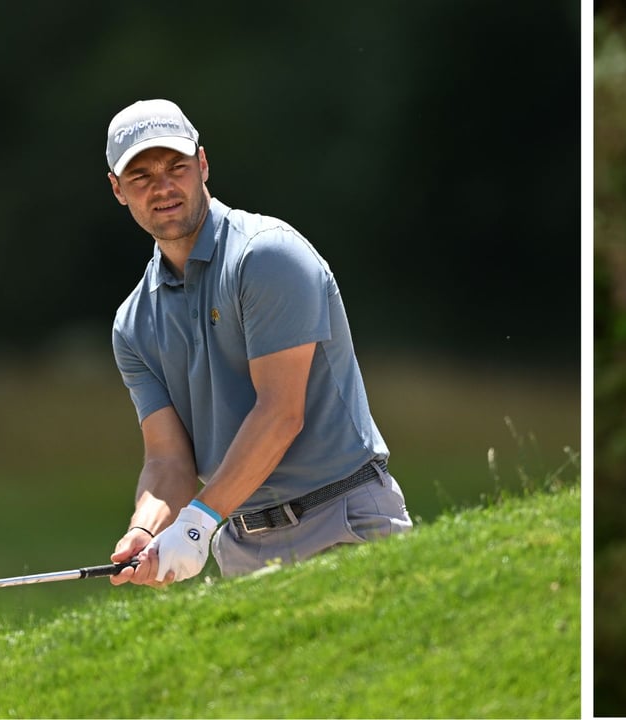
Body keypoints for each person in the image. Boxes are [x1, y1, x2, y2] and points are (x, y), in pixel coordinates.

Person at [101, 98, 412, 587]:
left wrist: (198, 524)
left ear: (202, 164)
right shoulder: (133, 323)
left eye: (176, 167)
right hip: (244, 550)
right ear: (118, 190)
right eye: (140, 176)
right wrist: (146, 529)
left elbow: (281, 413)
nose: (162, 187)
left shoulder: (264, 255)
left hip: (344, 520)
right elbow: (168, 460)